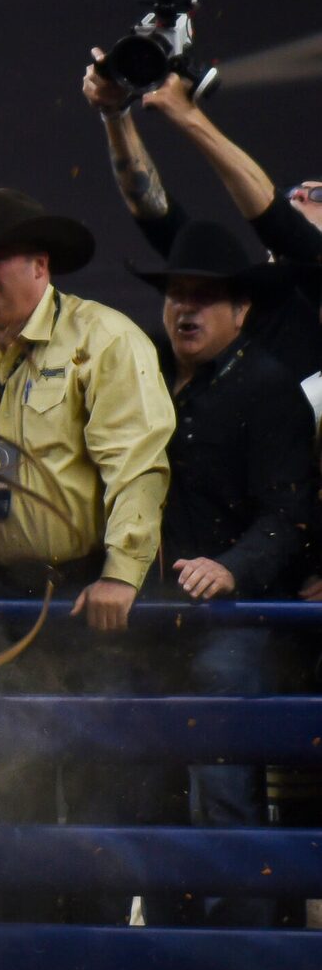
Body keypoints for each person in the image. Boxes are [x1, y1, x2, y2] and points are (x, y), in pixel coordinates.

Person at [0, 189, 174, 637]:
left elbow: (137, 467)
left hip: (87, 590)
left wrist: (121, 573)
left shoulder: (105, 341)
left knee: (86, 705)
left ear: (40, 266)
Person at [134, 221, 317, 827]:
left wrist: (231, 567)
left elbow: (290, 514)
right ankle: (170, 916)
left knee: (221, 791)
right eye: (176, 294)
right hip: (152, 619)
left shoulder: (268, 389)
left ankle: (237, 918)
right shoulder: (143, 376)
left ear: (241, 309)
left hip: (236, 624)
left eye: (204, 295)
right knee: (144, 789)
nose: (186, 307)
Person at [87, 57, 322, 385]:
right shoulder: (236, 289)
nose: (297, 195)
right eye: (292, 191)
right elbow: (157, 214)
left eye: (317, 196)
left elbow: (283, 228)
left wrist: (188, 115)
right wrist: (115, 113)